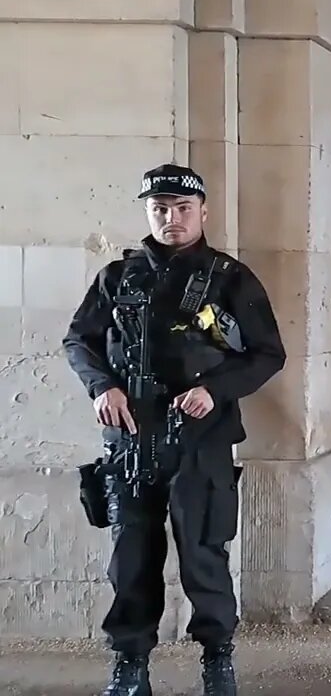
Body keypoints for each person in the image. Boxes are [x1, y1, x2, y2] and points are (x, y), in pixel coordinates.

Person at [63, 163, 286, 696]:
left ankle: (217, 661)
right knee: (131, 560)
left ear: (202, 212)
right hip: (131, 443)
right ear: (148, 212)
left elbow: (268, 354)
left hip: (199, 442)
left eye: (182, 209)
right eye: (160, 209)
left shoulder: (231, 278)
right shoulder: (117, 277)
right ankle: (130, 666)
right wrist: (102, 388)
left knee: (205, 557)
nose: (171, 219)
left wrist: (216, 389)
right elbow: (79, 341)